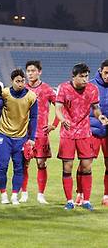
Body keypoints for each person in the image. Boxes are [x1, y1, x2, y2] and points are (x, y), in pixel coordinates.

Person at [57, 63, 108, 211]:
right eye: (82, 76)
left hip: (85, 132)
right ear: (74, 76)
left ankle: (86, 200)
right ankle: (69, 200)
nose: (85, 79)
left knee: (86, 166)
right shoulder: (64, 88)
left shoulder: (92, 89)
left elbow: (96, 108)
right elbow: (58, 108)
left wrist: (100, 117)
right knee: (68, 167)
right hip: (67, 133)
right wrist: (62, 119)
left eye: (86, 76)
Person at [0, 69, 38, 205]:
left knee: (18, 167)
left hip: (20, 137)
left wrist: (32, 138)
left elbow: (34, 117)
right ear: (12, 81)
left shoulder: (31, 96)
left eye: (22, 81)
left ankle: (14, 195)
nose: (20, 83)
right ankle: (3, 195)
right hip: (4, 135)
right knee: (2, 166)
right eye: (17, 81)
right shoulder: (5, 94)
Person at [23, 60, 58, 204]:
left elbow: (60, 108)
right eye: (28, 71)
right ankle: (23, 193)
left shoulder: (47, 89)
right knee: (23, 163)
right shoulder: (22, 88)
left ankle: (40, 195)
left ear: (39, 72)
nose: (30, 74)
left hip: (41, 133)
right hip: (24, 133)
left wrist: (54, 125)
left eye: (33, 71)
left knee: (41, 163)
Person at [90, 59, 108, 206]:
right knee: (85, 164)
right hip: (93, 130)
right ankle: (81, 194)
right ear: (101, 70)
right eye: (106, 72)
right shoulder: (90, 85)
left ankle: (106, 196)